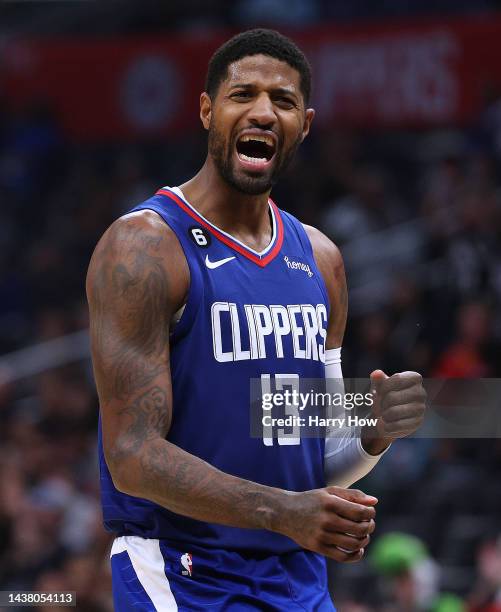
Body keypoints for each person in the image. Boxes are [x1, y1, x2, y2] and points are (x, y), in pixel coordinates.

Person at [86, 29, 426, 611]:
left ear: (306, 124)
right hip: (180, 572)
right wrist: (283, 511)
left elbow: (310, 460)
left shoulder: (321, 259)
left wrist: (372, 438)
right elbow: (132, 456)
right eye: (243, 94)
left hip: (297, 575)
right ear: (206, 110)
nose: (264, 112)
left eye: (284, 101)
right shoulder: (144, 247)